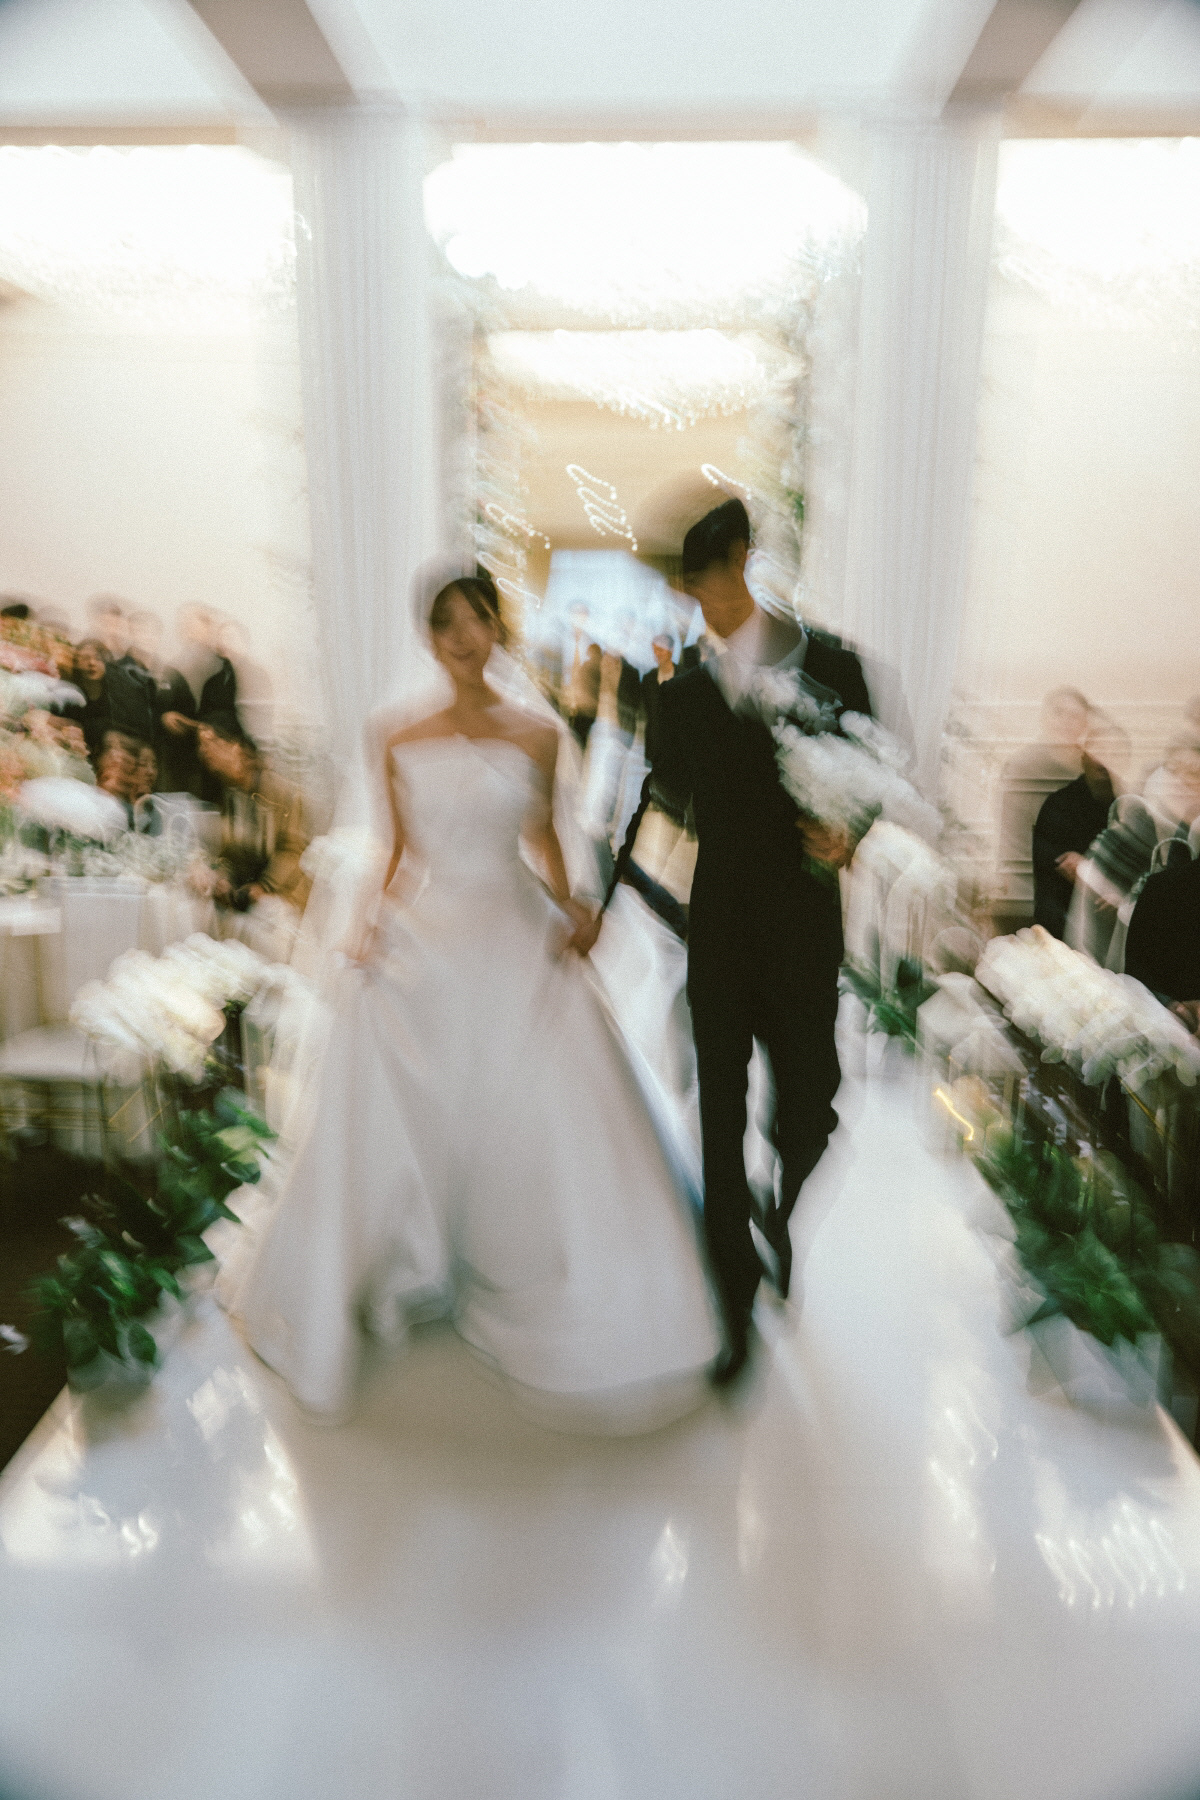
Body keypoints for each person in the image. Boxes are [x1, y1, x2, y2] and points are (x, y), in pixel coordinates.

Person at [230, 576, 719, 1424]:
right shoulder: (394, 731)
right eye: (446, 623)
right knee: (391, 1072)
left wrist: (573, 905)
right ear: (428, 638)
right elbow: (396, 851)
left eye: (477, 618)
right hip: (427, 938)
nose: (463, 635)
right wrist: (367, 924)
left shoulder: (537, 733)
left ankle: (542, 1266)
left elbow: (542, 835)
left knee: (543, 1097)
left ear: (498, 628)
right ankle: (403, 1258)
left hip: (513, 929)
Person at [612, 498, 871, 1384]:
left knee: (812, 1109)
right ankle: (733, 1303)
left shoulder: (833, 666)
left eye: (710, 581)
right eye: (687, 590)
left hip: (803, 934)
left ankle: (780, 1208)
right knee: (719, 1119)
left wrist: (850, 833)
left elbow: (872, 773)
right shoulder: (682, 694)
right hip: (719, 934)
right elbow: (661, 798)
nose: (702, 603)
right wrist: (604, 894)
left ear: (745, 559)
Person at [196, 716, 312, 916]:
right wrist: (223, 879)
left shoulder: (283, 792)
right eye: (200, 744)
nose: (203, 750)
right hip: (245, 896)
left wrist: (265, 887)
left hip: (284, 894)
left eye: (211, 742)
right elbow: (228, 853)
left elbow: (293, 851)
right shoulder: (230, 795)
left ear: (236, 747)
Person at [1032, 731, 1121, 939]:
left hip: (1114, 925)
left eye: (1114, 753)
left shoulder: (1129, 808)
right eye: (1099, 751)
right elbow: (1060, 868)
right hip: (1065, 926)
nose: (1104, 759)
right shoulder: (1059, 806)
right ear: (1083, 759)